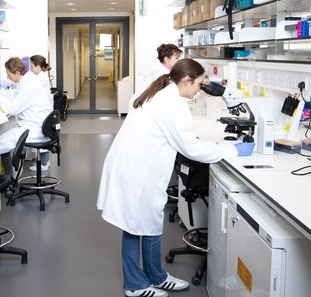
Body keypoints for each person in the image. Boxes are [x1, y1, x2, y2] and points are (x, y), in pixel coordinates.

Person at [97, 58, 254, 297]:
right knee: (134, 226)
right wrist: (232, 150)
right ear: (186, 80)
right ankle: (134, 285)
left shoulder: (163, 91)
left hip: (135, 165)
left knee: (147, 223)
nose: (200, 91)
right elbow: (192, 149)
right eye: (199, 84)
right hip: (137, 171)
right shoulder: (171, 103)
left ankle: (155, 276)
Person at [0, 57, 52, 169]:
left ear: (16, 73)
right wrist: (0, 89)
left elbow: (12, 109)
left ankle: (0, 179)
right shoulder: (28, 80)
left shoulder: (29, 84)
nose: (7, 77)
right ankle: (7, 177)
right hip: (35, 126)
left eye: (8, 74)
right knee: (0, 143)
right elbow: (14, 97)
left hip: (34, 130)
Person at [131, 44, 183, 110]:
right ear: (167, 59)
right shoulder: (162, 75)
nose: (179, 61)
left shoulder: (167, 72)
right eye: (177, 58)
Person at [29, 54, 55, 170]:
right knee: (43, 135)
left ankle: (44, 164)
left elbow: (32, 92)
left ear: (38, 66)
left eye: (31, 66)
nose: (30, 68)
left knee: (41, 135)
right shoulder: (41, 75)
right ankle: (45, 162)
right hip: (45, 110)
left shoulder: (40, 77)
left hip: (43, 111)